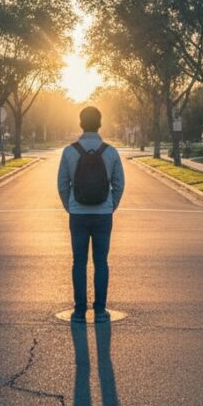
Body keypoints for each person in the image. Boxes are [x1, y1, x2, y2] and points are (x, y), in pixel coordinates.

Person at [57, 106, 125, 322]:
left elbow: (62, 184)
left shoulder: (69, 151)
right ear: (100, 123)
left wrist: (70, 206)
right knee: (101, 262)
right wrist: (110, 205)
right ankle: (100, 310)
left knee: (79, 262)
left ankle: (79, 311)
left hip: (78, 214)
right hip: (103, 215)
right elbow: (119, 183)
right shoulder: (111, 151)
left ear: (80, 123)